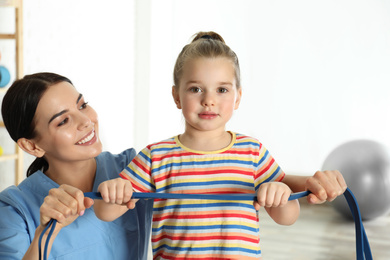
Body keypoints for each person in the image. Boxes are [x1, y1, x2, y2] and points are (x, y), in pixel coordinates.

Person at [93, 32, 347, 260]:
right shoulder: (155, 157)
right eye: (195, 89)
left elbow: (287, 218)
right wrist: (114, 190)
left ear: (238, 97)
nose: (209, 100)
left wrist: (279, 196)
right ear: (176, 96)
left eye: (222, 90)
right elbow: (105, 212)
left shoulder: (252, 152)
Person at [0, 73, 153, 259]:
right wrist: (45, 234)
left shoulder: (134, 169)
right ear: (32, 146)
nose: (86, 121)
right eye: (63, 121)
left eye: (82, 105)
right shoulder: (14, 210)